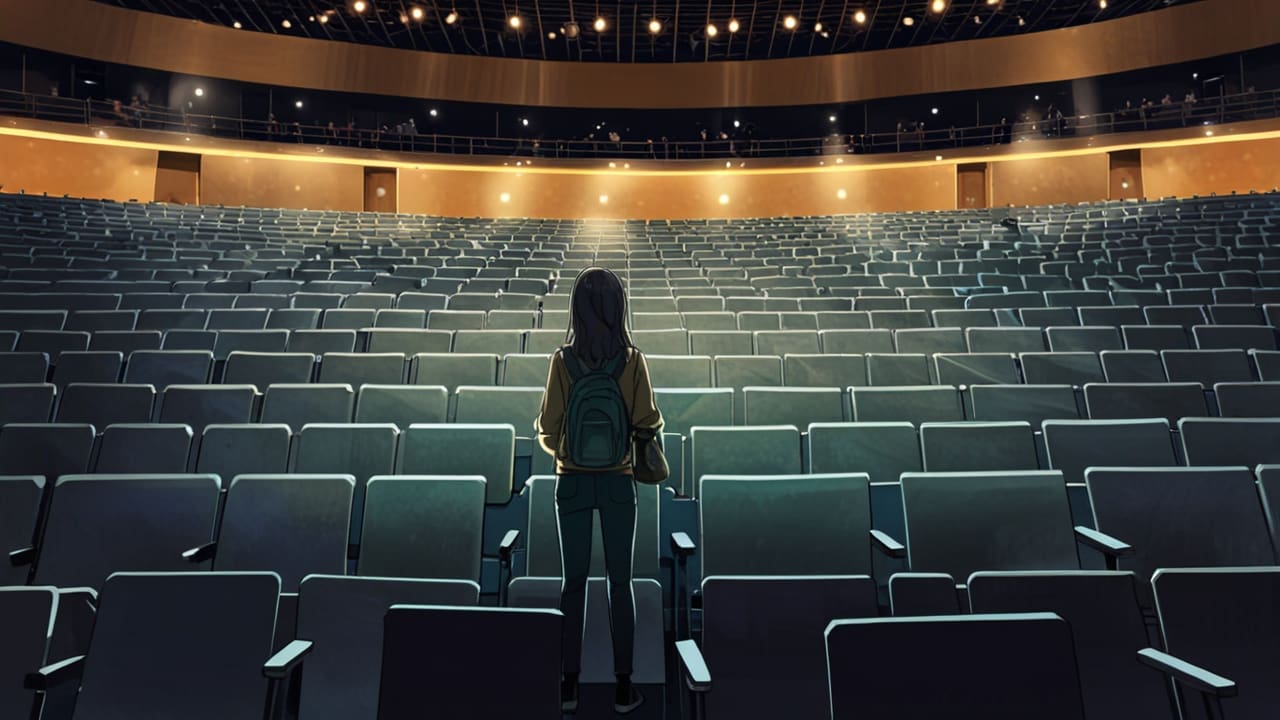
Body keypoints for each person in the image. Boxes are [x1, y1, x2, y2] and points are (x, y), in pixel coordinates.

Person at [536, 267, 662, 716]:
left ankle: (568, 685)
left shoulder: (560, 361)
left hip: (570, 480)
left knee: (572, 584)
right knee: (620, 583)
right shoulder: (633, 361)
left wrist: (566, 448)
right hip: (618, 482)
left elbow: (549, 430)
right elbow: (647, 421)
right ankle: (624, 687)